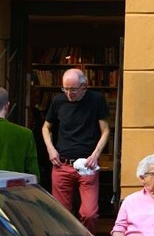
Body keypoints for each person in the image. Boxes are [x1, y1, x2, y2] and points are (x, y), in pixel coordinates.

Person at [42, 68, 110, 226]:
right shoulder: (58, 101)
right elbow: (46, 128)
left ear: (84, 86)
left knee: (89, 214)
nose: (68, 93)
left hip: (87, 164)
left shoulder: (96, 100)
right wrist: (50, 149)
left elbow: (106, 130)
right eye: (65, 89)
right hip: (61, 164)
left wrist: (95, 155)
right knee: (60, 214)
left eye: (73, 89)